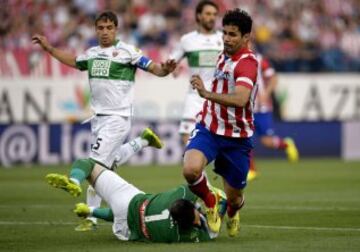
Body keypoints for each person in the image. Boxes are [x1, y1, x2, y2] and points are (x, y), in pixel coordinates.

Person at [32, 11, 176, 231]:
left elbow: (155, 68)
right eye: (101, 28)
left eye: (109, 27)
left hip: (118, 118)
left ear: (116, 29)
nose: (105, 32)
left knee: (95, 166)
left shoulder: (128, 51)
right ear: (95, 30)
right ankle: (143, 140)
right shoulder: (91, 54)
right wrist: (49, 49)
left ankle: (87, 211)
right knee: (108, 165)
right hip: (98, 119)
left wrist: (165, 69)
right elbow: (73, 60)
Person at [182, 8, 257, 237]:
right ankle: (210, 199)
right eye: (224, 33)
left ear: (246, 37)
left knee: (234, 197)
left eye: (233, 34)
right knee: (191, 170)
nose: (226, 38)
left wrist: (206, 94)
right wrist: (201, 84)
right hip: (210, 127)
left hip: (237, 137)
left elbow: (241, 99)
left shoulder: (247, 64)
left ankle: (232, 212)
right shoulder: (223, 54)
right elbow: (219, 84)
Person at [45, 161, 226, 242]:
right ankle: (90, 211)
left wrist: (212, 195)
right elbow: (224, 203)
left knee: (89, 165)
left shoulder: (180, 193)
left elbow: (200, 181)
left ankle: (75, 181)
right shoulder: (198, 236)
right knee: (124, 217)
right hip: (126, 230)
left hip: (131, 200)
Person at [170, 0, 223, 145]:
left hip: (219, 97)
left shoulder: (223, 39)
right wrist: (174, 68)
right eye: (208, 14)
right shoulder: (187, 40)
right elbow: (171, 62)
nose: (212, 17)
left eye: (214, 14)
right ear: (199, 16)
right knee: (186, 135)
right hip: (195, 95)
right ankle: (199, 169)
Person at [247, 53, 299, 181]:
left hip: (262, 109)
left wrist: (266, 94)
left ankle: (286, 144)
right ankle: (251, 170)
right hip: (245, 109)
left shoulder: (259, 60)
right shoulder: (232, 60)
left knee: (267, 142)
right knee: (245, 140)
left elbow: (273, 78)